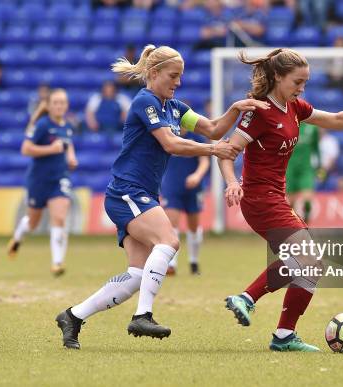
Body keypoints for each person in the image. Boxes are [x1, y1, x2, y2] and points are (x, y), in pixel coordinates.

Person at [53, 45, 269, 349]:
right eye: (173, 76)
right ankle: (143, 314)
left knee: (135, 276)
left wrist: (236, 108)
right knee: (168, 241)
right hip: (127, 191)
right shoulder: (145, 102)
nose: (178, 82)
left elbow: (213, 127)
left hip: (141, 194)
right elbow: (170, 143)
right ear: (153, 74)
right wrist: (212, 149)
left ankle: (73, 317)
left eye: (180, 76)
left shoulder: (175, 108)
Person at [219, 48, 343, 352]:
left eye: (305, 83)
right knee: (308, 260)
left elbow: (336, 119)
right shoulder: (257, 112)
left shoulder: (294, 107)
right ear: (277, 77)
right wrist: (233, 182)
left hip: (276, 198)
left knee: (309, 264)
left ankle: (284, 335)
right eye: (297, 82)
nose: (301, 88)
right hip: (259, 200)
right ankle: (247, 300)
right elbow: (226, 151)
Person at [6, 89, 78, 276]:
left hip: (59, 179)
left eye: (62, 102)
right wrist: (51, 149)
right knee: (33, 223)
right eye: (56, 102)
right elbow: (25, 149)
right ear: (49, 105)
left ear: (66, 105)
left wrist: (71, 158)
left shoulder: (67, 126)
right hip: (39, 180)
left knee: (59, 217)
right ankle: (17, 237)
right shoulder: (42, 125)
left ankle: (57, 262)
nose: (59, 106)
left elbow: (68, 145)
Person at [160, 131, 209, 275]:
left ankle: (194, 261)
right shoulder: (166, 134)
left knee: (193, 226)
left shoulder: (196, 136)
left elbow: (204, 160)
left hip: (193, 187)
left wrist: (197, 175)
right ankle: (172, 264)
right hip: (171, 185)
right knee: (171, 224)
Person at [286, 122, 320, 223]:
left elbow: (316, 149)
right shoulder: (288, 125)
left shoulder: (313, 128)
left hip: (306, 169)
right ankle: (293, 228)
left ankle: (306, 223)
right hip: (290, 169)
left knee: (307, 200)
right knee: (290, 203)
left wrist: (320, 167)